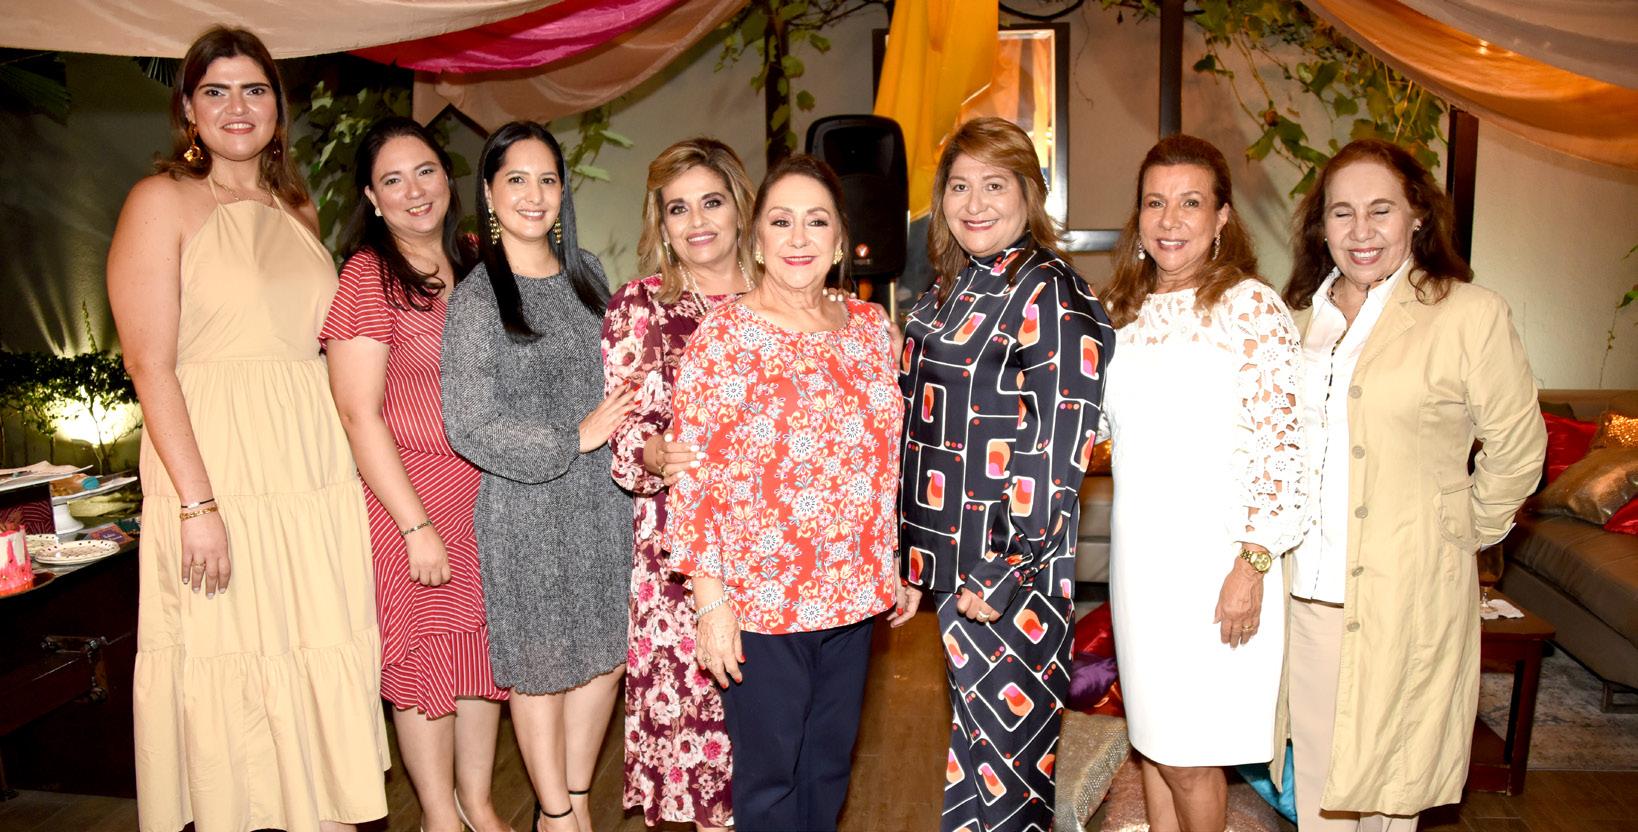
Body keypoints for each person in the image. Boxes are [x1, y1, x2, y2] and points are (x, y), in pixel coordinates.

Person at [107, 25, 388, 832]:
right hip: (218, 470)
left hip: (310, 471)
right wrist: (198, 506)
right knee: (230, 659)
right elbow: (149, 365)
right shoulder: (159, 201)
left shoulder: (295, 205)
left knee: (313, 647)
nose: (238, 106)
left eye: (255, 89)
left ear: (277, 107)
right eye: (217, 90)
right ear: (188, 110)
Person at [1280, 138, 1546, 831]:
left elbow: (1519, 448)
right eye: (1342, 212)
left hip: (1407, 593)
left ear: (1417, 216)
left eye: (1381, 210)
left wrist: (1458, 533)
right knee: (1321, 786)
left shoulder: (1467, 314)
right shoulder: (1298, 319)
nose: (1361, 231)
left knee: (1391, 790)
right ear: (1321, 226)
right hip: (1306, 591)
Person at [666, 153, 909, 832]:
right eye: (781, 221)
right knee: (770, 780)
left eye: (817, 221)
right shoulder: (723, 337)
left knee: (827, 770)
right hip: (761, 605)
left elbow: (885, 458)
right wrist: (710, 600)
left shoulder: (871, 330)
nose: (799, 238)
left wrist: (894, 560)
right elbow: (693, 477)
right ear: (757, 239)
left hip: (852, 595)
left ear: (840, 239)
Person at [897, 116, 1116, 832]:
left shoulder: (1049, 290)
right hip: (954, 567)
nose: (974, 203)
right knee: (975, 763)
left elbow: (1056, 446)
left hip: (1010, 574)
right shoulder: (957, 285)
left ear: (1029, 193)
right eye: (959, 186)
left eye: (994, 184)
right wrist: (912, 558)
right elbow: (924, 427)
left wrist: (1003, 565)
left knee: (1008, 781)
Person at [1099, 134, 1306, 832]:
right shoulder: (1122, 314)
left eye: (1190, 203)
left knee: (1190, 758)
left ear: (1221, 217)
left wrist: (1252, 564)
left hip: (1216, 567)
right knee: (1156, 748)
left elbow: (1284, 451)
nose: (1170, 220)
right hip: (1141, 567)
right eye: (1154, 202)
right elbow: (1096, 427)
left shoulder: (1250, 308)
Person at [439, 121, 636, 832]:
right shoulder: (478, 297)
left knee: (606, 658)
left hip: (605, 502)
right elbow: (468, 423)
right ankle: (553, 813)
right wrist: (571, 437)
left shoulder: (589, 274)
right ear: (490, 194)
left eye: (547, 179)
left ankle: (574, 800)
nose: (534, 193)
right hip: (526, 509)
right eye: (516, 179)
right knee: (543, 664)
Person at [320, 117, 510, 832]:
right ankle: (439, 817)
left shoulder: (478, 261)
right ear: (372, 198)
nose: (414, 190)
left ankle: (478, 804)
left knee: (479, 655)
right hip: (413, 499)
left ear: (448, 179)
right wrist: (414, 527)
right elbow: (358, 412)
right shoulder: (368, 276)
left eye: (425, 171)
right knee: (427, 659)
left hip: (484, 499)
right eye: (392, 180)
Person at [601, 137, 756, 831]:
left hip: (780, 551)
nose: (697, 221)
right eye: (678, 208)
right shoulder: (639, 307)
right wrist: (655, 452)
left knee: (778, 736)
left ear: (741, 207)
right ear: (660, 222)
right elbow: (624, 436)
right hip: (679, 558)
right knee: (698, 741)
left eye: (711, 202)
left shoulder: (785, 297)